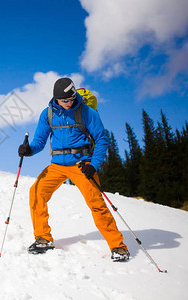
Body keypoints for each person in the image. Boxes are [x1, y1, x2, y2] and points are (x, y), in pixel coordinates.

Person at [18, 77, 129, 262]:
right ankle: (43, 238)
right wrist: (29, 150)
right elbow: (39, 141)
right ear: (56, 99)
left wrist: (93, 165)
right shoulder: (47, 114)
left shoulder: (87, 112)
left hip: (81, 164)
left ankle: (118, 247)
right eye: (64, 101)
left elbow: (102, 139)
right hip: (57, 165)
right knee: (36, 192)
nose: (69, 103)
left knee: (97, 204)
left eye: (71, 99)